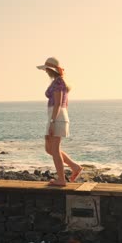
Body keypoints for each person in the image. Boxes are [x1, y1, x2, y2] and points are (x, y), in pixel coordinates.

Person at [37, 57, 83, 186]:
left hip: (57, 117)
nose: (45, 71)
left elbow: (58, 104)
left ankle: (61, 179)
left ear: (51, 70)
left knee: (55, 149)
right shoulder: (58, 81)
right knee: (49, 148)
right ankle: (74, 167)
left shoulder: (59, 83)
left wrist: (52, 121)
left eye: (46, 69)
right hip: (54, 117)